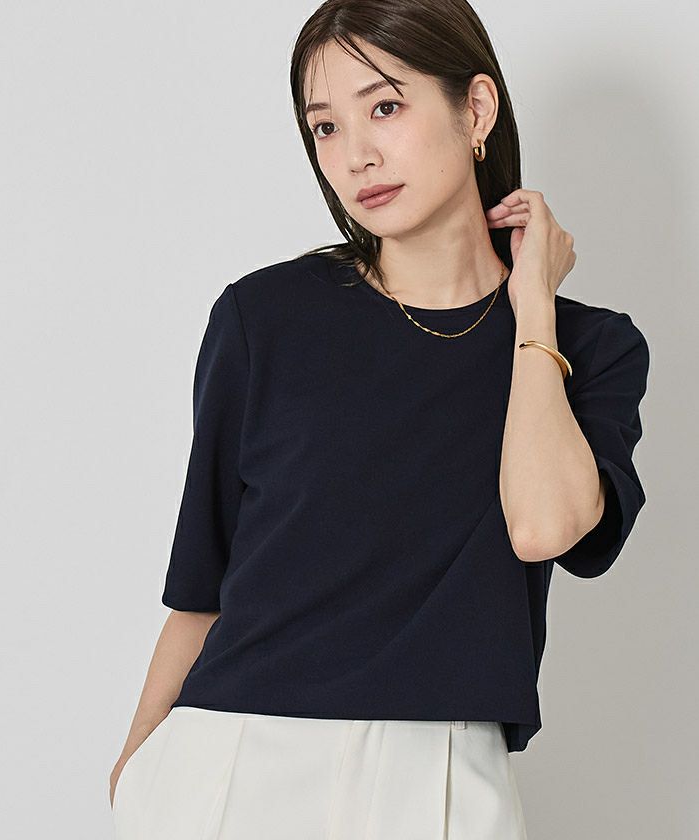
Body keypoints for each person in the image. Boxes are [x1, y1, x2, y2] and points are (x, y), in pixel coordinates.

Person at [109, 1, 651, 838]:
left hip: (438, 777)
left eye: (385, 106)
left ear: (476, 109)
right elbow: (201, 584)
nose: (355, 154)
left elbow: (544, 527)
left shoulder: (592, 348)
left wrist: (534, 308)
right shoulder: (264, 318)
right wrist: (135, 772)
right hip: (225, 763)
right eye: (325, 127)